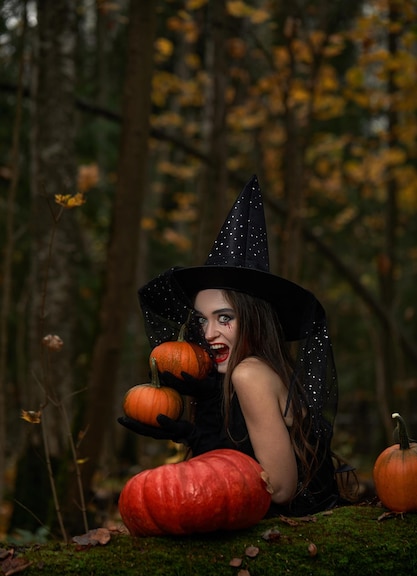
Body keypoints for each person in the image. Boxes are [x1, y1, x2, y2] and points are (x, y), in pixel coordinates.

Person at [118, 175, 344, 516]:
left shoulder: (249, 374)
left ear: (254, 319)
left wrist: (202, 441)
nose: (208, 333)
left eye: (225, 318)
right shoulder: (258, 371)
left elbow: (280, 489)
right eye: (201, 320)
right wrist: (202, 424)